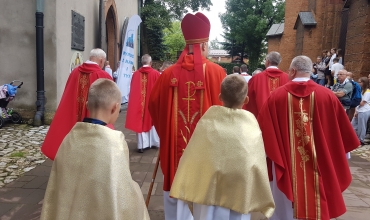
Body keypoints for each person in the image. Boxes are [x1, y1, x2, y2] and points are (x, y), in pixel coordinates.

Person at [258, 55, 359, 220]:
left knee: (285, 208)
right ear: (311, 71)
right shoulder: (327, 96)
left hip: (287, 163)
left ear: (292, 71)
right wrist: (341, 156)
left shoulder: (276, 97)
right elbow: (342, 135)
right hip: (320, 162)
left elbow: (265, 133)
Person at [148, 12, 226, 220]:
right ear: (204, 45)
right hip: (208, 153)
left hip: (176, 152)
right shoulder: (218, 73)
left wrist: (167, 132)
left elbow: (154, 106)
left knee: (176, 185)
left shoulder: (167, 75)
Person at [40, 79, 149, 220]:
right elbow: (122, 191)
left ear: (87, 105)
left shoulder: (69, 138)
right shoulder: (115, 142)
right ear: (115, 108)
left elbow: (58, 187)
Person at [170, 74, 275, 220]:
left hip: (208, 191)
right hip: (240, 191)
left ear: (220, 96)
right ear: (246, 100)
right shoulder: (251, 126)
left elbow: (193, 156)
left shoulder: (208, 121)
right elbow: (256, 162)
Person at [41, 48, 113, 160]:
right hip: (93, 119)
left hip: (73, 116)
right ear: (101, 60)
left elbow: (67, 94)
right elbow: (110, 100)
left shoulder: (74, 72)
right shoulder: (103, 75)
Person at [126, 54, 160, 153]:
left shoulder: (135, 74)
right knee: (152, 121)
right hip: (151, 104)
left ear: (142, 62)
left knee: (140, 121)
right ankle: (153, 143)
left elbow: (131, 89)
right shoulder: (156, 74)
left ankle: (142, 145)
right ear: (150, 63)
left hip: (139, 104)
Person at [245, 51, 289, 117]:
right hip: (281, 118)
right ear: (278, 63)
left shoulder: (256, 78)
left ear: (267, 62)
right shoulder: (287, 78)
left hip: (262, 118)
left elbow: (248, 100)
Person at [352, 77, 370, 146]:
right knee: (353, 125)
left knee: (362, 126)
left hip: (364, 110)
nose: (358, 83)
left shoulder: (367, 92)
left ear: (363, 83)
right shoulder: (361, 91)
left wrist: (354, 101)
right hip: (359, 110)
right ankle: (354, 138)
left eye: (360, 82)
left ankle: (361, 140)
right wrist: (356, 111)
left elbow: (362, 103)